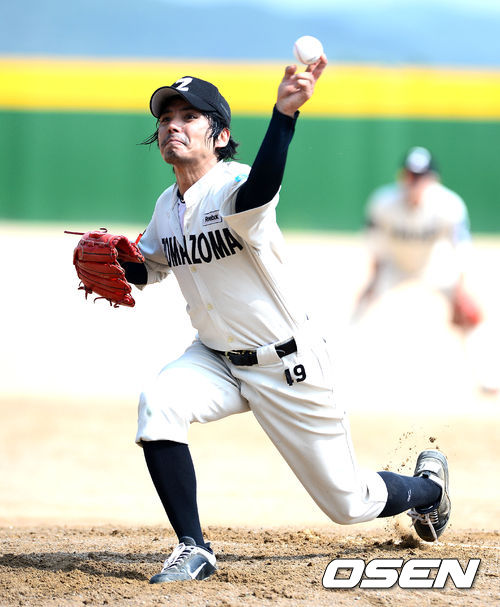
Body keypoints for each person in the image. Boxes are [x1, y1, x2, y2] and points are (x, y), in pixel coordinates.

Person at [123, 60, 451, 584]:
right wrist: (118, 263)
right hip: (215, 359)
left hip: (288, 364)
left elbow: (260, 188)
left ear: (220, 135)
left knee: (347, 503)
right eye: (165, 118)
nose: (172, 126)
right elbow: (150, 266)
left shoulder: (235, 185)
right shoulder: (168, 205)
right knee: (159, 403)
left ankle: (429, 490)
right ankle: (193, 547)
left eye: (188, 117)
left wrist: (284, 115)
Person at [352, 146, 498, 391]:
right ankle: (336, 373)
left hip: (433, 264)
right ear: (402, 176)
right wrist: (373, 281)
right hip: (394, 264)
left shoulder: (449, 204)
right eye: (410, 175)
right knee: (361, 306)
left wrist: (460, 291)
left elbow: (461, 249)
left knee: (469, 313)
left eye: (421, 177)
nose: (415, 182)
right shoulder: (383, 202)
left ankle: (486, 378)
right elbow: (374, 243)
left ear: (433, 179)